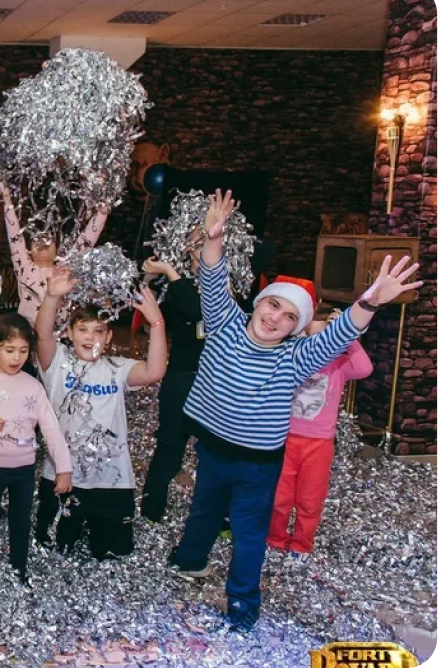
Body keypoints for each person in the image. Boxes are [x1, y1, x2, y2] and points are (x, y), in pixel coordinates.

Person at [169, 190, 421, 632]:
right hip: (212, 448)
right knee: (204, 509)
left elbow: (338, 335)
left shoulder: (294, 357)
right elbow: (212, 278)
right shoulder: (226, 324)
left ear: (295, 328)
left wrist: (370, 301)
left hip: (258, 463)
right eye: (273, 304)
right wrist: (214, 238)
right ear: (258, 302)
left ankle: (243, 606)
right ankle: (190, 561)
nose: (275, 317)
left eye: (288, 316)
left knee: (248, 534)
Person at [32, 267, 168, 559]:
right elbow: (42, 334)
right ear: (69, 333)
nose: (90, 337)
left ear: (108, 337)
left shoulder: (117, 368)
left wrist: (156, 323)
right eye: (82, 329)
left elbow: (155, 371)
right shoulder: (57, 362)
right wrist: (52, 297)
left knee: (114, 552)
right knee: (53, 549)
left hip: (111, 480)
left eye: (98, 331)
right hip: (63, 476)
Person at [0, 313, 71, 596]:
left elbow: (51, 428)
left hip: (24, 468)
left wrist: (63, 468)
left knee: (21, 522)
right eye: (9, 350)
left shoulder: (32, 385)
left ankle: (19, 571)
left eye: (23, 351)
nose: (16, 357)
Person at [267, 306, 372, 562]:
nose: (317, 345)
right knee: (279, 496)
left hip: (319, 444)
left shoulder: (339, 366)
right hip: (285, 438)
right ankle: (275, 539)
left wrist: (348, 336)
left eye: (323, 338)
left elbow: (365, 369)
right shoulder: (292, 359)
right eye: (310, 337)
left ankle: (301, 544)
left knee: (310, 499)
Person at [139, 252, 205, 523]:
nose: (197, 249)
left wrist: (169, 271)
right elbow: (157, 316)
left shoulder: (230, 283)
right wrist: (149, 280)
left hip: (217, 382)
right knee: (169, 447)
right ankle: (151, 512)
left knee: (218, 453)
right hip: (180, 377)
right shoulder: (178, 286)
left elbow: (199, 310)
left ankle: (220, 518)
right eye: (194, 242)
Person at [0, 184, 108, 323]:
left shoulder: (65, 269)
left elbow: (87, 239)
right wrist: (6, 196)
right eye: (36, 240)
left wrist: (103, 211)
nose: (42, 243)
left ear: (57, 248)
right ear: (28, 250)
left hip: (60, 333)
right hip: (29, 332)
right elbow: (14, 234)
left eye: (47, 240)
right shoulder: (24, 268)